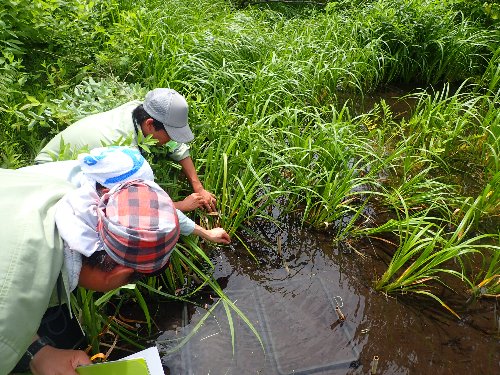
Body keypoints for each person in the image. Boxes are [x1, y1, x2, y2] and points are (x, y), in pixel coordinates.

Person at [0, 148, 230, 375]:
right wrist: (33, 354)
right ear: (119, 274)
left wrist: (39, 352)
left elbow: (155, 214)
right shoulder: (11, 297)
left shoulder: (82, 187)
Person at [35, 88, 216, 212]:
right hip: (50, 175)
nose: (172, 140)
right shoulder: (124, 153)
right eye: (170, 134)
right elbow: (131, 203)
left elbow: (177, 146)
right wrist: (181, 205)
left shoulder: (140, 109)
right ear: (150, 124)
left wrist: (198, 187)